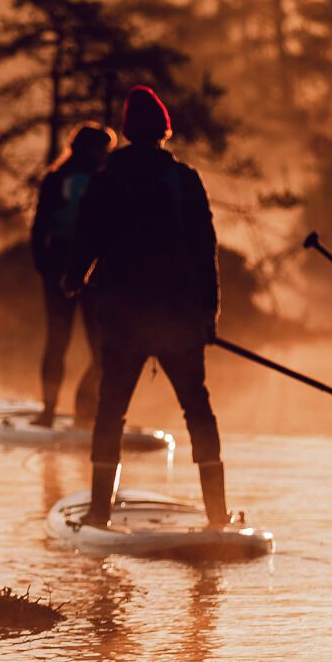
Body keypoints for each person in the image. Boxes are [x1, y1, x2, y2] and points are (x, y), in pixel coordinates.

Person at [66, 85, 226, 528]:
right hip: (178, 318)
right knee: (198, 410)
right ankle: (218, 516)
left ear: (126, 129)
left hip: (122, 320)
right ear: (164, 130)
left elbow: (87, 240)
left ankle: (99, 514)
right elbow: (204, 249)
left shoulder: (106, 178)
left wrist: (72, 279)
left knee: (110, 411)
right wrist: (208, 315)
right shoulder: (185, 179)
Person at [29, 124, 113, 427]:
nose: (107, 154)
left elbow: (39, 228)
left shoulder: (55, 178)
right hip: (88, 274)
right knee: (98, 346)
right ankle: (82, 411)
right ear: (91, 149)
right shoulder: (103, 180)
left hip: (61, 272)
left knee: (58, 342)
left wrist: (43, 266)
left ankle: (52, 411)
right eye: (103, 148)